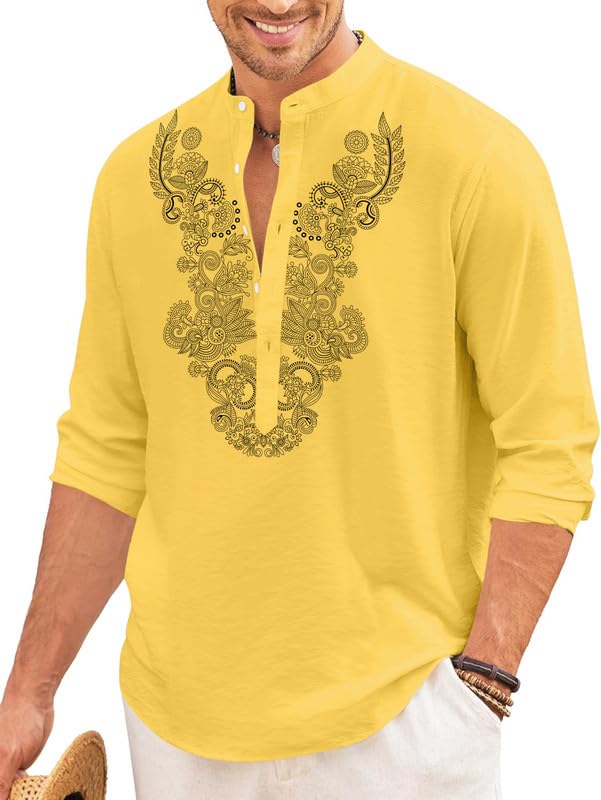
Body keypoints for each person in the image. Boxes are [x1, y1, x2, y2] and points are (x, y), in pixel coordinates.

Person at [0, 1, 598, 798]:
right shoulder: (135, 178)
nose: (279, 4)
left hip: (402, 726)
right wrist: (30, 689)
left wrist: (482, 683)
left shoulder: (475, 157)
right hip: (174, 736)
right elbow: (107, 449)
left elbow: (548, 437)